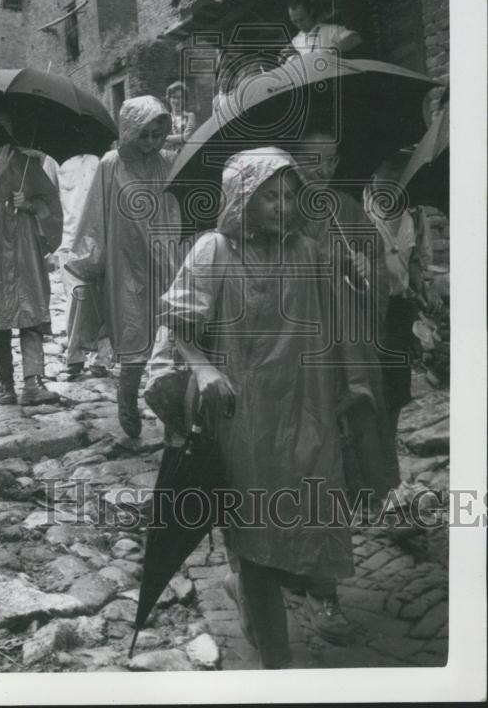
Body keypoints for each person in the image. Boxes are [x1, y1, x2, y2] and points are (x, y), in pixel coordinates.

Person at [162, 148, 388, 669]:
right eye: (270, 195)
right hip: (243, 413)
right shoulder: (211, 251)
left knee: (311, 511)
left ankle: (275, 593)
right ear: (243, 197)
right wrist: (202, 367)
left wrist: (354, 279)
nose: (283, 206)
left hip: (307, 409)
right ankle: (276, 655)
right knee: (254, 521)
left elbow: (341, 329)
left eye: (290, 195)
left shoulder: (309, 252)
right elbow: (179, 328)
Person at [292, 130, 396, 643]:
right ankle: (317, 589)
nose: (323, 170)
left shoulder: (345, 208)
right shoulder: (283, 211)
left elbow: (379, 271)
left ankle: (313, 578)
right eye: (313, 160)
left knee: (346, 468)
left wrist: (366, 270)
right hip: (305, 363)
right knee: (313, 471)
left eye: (331, 159)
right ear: (294, 162)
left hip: (350, 362)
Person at [66, 96, 181, 438]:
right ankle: (127, 405)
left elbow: (177, 213)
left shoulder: (167, 164)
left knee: (170, 340)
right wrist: (89, 261)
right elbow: (95, 216)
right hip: (125, 266)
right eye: (143, 134)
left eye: (158, 134)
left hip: (164, 263)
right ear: (129, 131)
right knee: (132, 343)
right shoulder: (110, 165)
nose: (150, 142)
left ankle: (171, 413)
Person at [0, 136, 63, 408]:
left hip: (25, 249)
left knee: (31, 311)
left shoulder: (29, 165)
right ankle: (5, 382)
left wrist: (29, 204)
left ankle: (33, 382)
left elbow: (51, 204)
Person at [364, 153, 432, 483]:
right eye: (388, 166)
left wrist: (420, 289)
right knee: (368, 392)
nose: (393, 175)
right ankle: (368, 469)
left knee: (394, 394)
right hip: (365, 313)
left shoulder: (411, 212)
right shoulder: (356, 213)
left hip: (399, 312)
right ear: (374, 169)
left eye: (399, 168)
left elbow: (415, 258)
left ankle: (387, 466)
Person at [57, 154, 113, 378]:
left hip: (98, 238)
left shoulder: (104, 161)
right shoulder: (55, 162)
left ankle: (100, 357)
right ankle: (75, 356)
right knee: (77, 298)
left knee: (102, 298)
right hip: (68, 239)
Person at [282, 0, 364, 60]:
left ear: (311, 12)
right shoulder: (296, 41)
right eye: (295, 21)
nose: (299, 25)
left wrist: (332, 52)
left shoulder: (330, 30)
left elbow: (355, 38)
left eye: (302, 19)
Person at [163, 81, 196, 154]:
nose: (177, 101)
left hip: (186, 157)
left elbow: (187, 137)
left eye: (180, 97)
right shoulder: (165, 118)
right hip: (169, 158)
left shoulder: (190, 116)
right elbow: (160, 142)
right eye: (174, 97)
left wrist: (166, 138)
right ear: (169, 99)